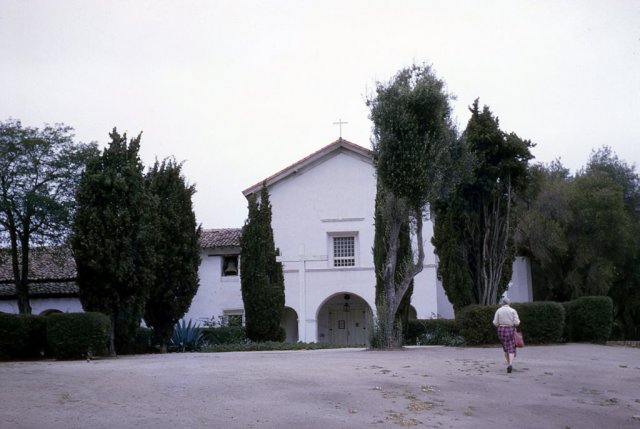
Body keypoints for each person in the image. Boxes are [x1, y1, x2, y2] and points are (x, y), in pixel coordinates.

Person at [493, 297, 520, 373]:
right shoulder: (513, 310)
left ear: (502, 303)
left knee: (505, 347)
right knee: (511, 346)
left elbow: (495, 322)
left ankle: (508, 364)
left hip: (501, 329)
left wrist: (499, 325)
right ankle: (510, 364)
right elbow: (517, 322)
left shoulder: (498, 310)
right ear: (509, 303)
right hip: (510, 329)